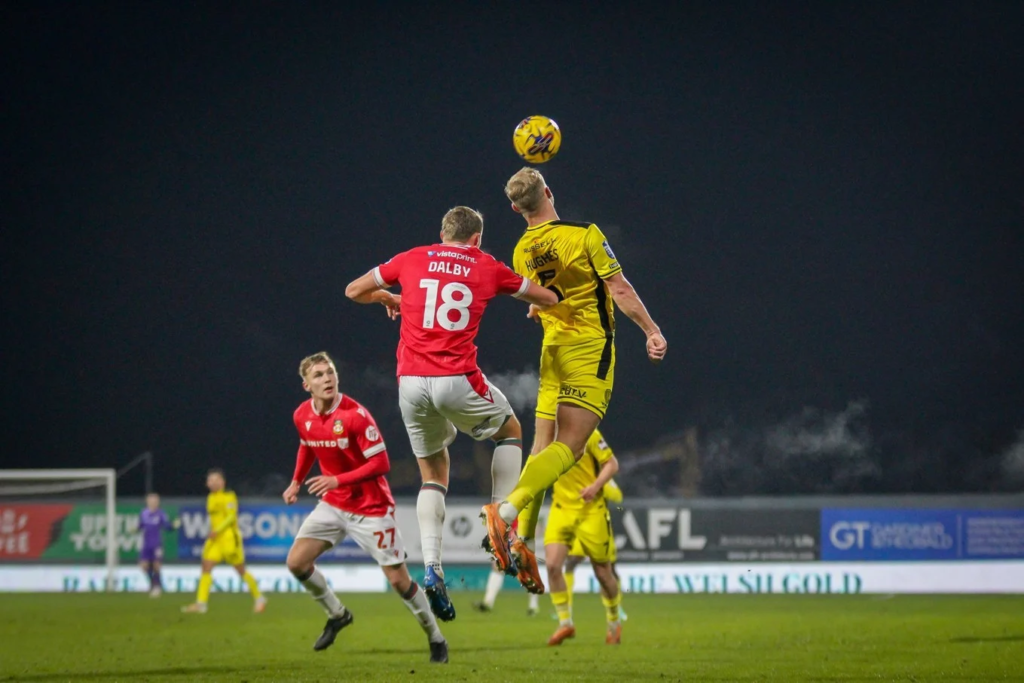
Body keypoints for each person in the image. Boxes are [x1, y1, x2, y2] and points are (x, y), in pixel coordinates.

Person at [345, 206, 558, 620]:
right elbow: (545, 297)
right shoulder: (486, 265)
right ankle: (502, 522)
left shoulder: (411, 258)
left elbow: (353, 290)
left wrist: (388, 296)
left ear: (441, 233)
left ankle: (432, 568)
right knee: (511, 430)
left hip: (410, 382)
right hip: (455, 378)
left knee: (433, 473)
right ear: (476, 238)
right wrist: (540, 304)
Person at [481, 167, 667, 594]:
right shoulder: (584, 234)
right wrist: (652, 330)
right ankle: (505, 514)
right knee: (572, 446)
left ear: (515, 208)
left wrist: (538, 310)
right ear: (548, 190)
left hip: (551, 352)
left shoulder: (521, 250)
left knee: (541, 448)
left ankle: (518, 539)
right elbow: (619, 289)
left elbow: (536, 301)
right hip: (588, 347)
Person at [282, 352, 448, 663]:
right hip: (333, 505)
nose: (327, 378)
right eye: (318, 375)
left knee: (399, 582)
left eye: (330, 372)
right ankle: (338, 614)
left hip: (371, 508)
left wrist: (336, 481)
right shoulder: (301, 415)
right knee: (296, 563)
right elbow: (307, 444)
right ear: (307, 385)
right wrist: (295, 482)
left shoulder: (355, 415)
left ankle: (436, 637)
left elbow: (381, 463)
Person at [543, 429, 622, 645]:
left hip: (590, 509)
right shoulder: (547, 432)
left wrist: (596, 486)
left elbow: (612, 464)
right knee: (552, 566)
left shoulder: (590, 433)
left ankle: (614, 621)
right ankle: (565, 623)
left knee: (603, 574)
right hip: (561, 508)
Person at [181, 469, 266, 614]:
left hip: (229, 538)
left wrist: (217, 529)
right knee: (206, 566)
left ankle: (259, 598)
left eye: (216, 479)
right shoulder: (210, 498)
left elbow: (231, 517)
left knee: (240, 570)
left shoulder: (229, 496)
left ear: (222, 482)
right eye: (210, 480)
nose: (213, 482)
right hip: (215, 539)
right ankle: (201, 603)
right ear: (207, 483)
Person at [137, 493, 178, 598]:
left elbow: (167, 526)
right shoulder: (144, 513)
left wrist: (173, 526)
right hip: (146, 543)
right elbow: (140, 525)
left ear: (158, 502)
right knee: (144, 566)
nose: (153, 502)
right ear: (147, 502)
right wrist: (136, 528)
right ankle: (153, 584)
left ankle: (157, 586)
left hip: (156, 543)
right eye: (151, 500)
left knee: (156, 565)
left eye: (155, 501)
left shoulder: (161, 514)